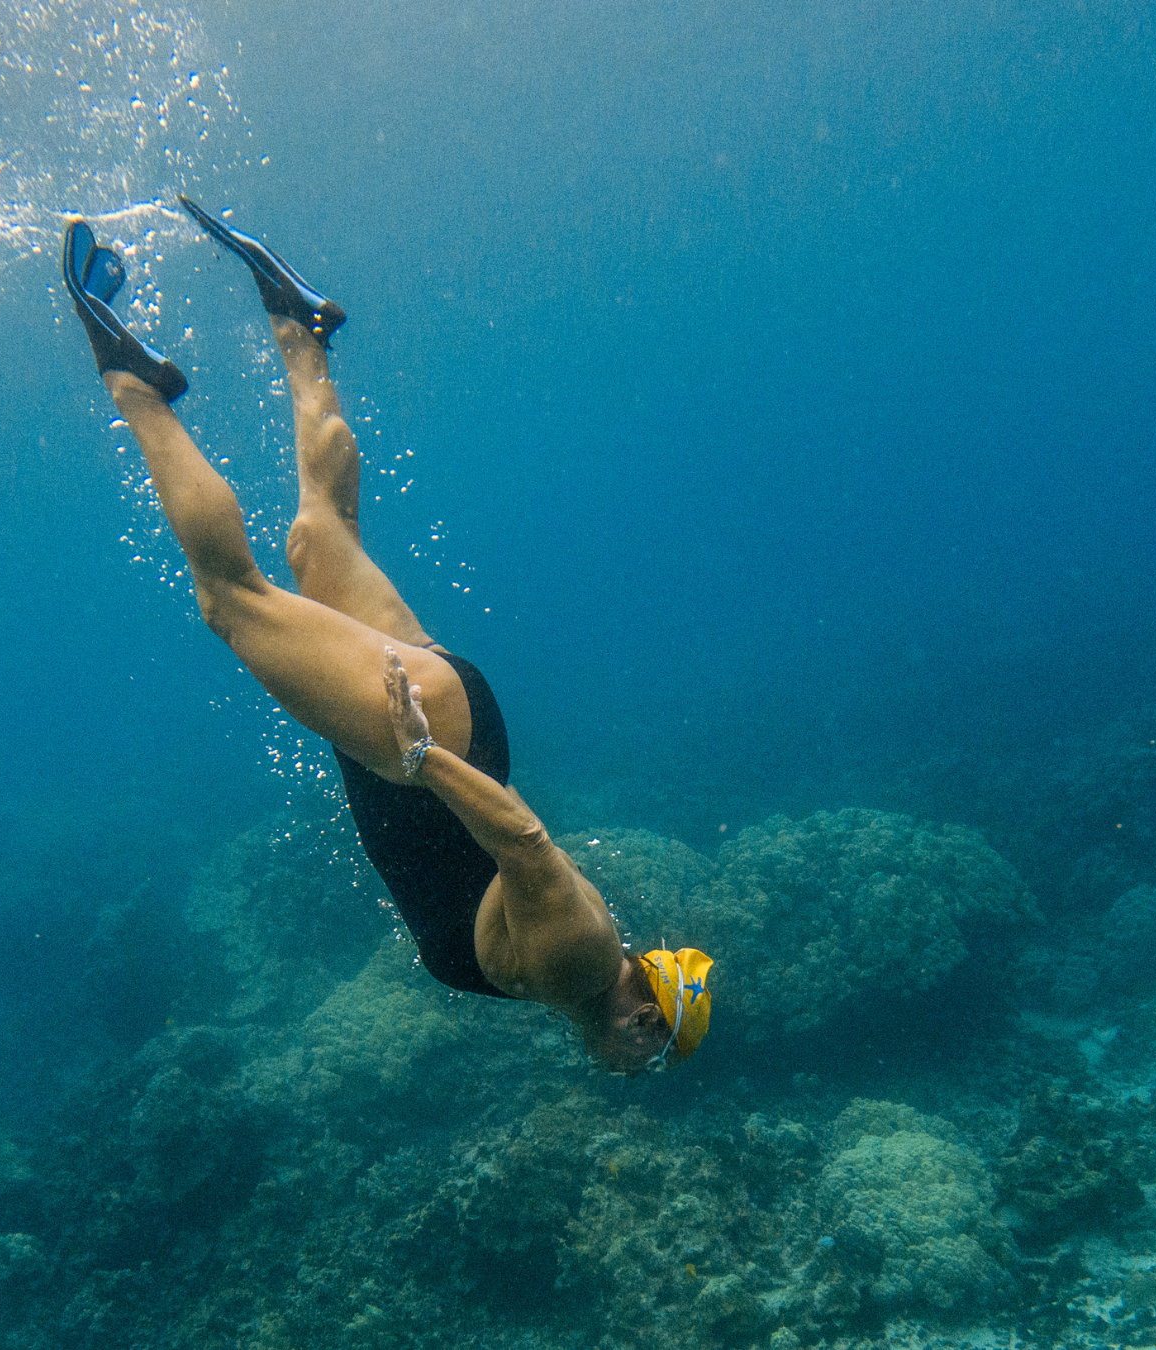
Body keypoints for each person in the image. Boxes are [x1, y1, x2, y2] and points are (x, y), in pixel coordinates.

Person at [58, 199, 712, 1072]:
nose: (644, 1070)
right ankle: (132, 382)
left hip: (454, 717)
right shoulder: (582, 967)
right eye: (660, 1056)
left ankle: (300, 327)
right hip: (421, 739)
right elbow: (524, 843)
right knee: (229, 598)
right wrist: (420, 758)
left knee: (319, 539)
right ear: (645, 1022)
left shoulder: (580, 970)